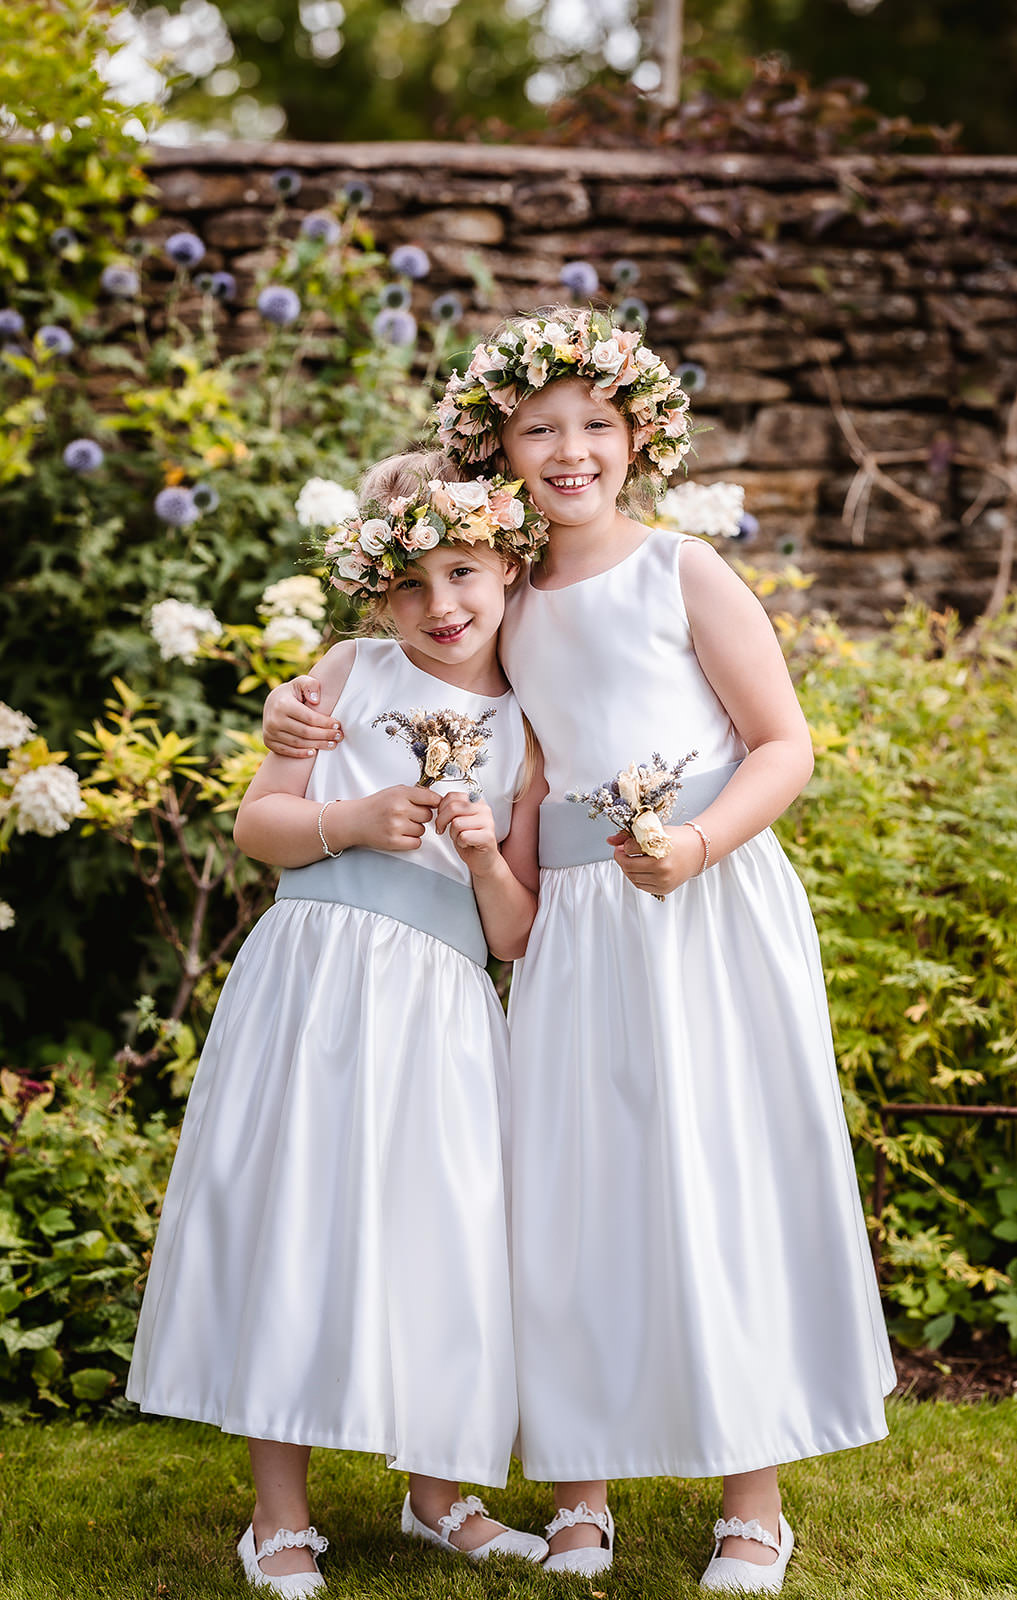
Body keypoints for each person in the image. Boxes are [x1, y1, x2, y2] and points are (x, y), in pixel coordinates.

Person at [262, 310, 896, 1595]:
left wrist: (703, 845)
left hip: (697, 905)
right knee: (567, 1194)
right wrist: (297, 711)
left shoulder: (683, 571)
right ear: (495, 445)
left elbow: (786, 744)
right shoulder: (498, 601)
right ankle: (580, 1492)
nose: (570, 449)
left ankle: (752, 1501)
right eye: (540, 426)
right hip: (570, 930)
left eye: (596, 423)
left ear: (638, 434)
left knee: (720, 1176)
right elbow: (433, 706)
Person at [127, 450, 552, 1597]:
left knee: (446, 1231)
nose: (440, 606)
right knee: (298, 1215)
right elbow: (259, 823)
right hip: (316, 979)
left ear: (509, 563)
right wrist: (355, 819)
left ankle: (438, 1492)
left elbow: (513, 932)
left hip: (441, 1000)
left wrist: (476, 854)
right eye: (408, 585)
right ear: (375, 592)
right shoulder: (346, 674)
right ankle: (280, 1516)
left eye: (462, 571)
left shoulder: (530, 725)